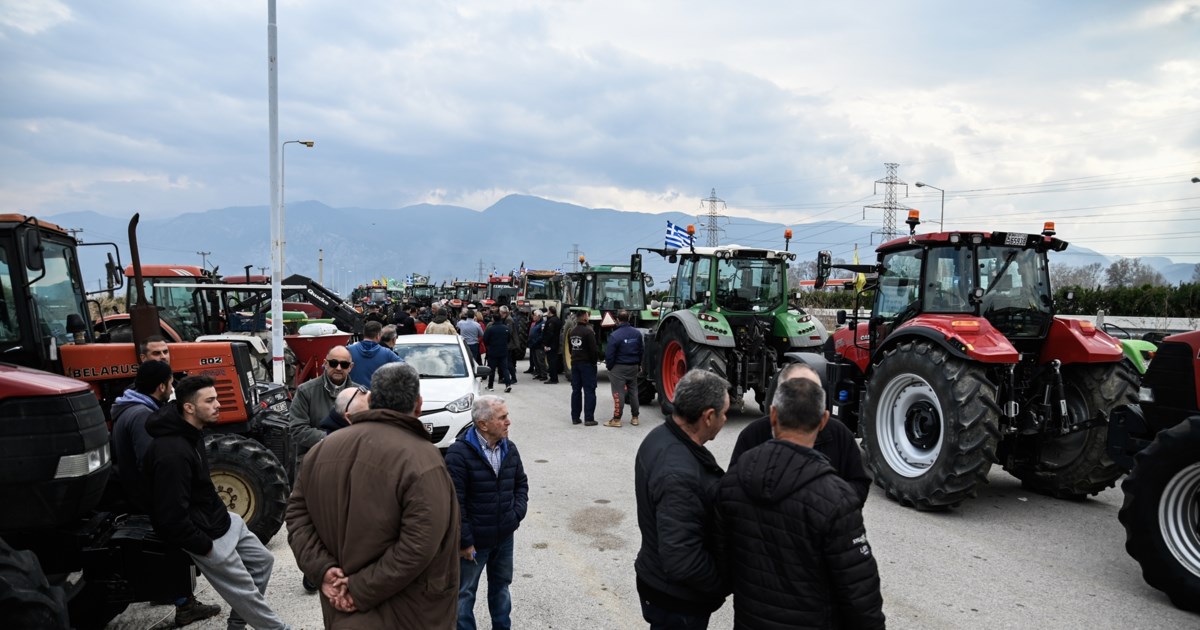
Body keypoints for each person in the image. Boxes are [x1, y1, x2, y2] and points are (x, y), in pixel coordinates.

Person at [286, 363, 460, 629]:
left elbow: (297, 515)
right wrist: (357, 589)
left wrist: (322, 570)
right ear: (419, 405)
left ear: (370, 400)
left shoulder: (321, 450)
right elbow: (420, 544)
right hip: (409, 614)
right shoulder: (423, 459)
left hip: (340, 611)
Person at [718, 377, 885, 629]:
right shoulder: (836, 499)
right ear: (824, 421)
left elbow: (722, 561)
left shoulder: (732, 482)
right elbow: (859, 590)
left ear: (772, 415)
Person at [143, 376, 291, 630]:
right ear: (189, 407)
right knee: (245, 592)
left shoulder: (192, 432)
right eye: (210, 400)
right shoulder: (172, 453)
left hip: (222, 519)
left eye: (217, 398)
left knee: (263, 562)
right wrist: (205, 547)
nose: (218, 404)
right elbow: (170, 517)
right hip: (205, 534)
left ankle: (236, 623)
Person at [110, 361, 221, 627]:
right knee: (175, 546)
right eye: (171, 384)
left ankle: (176, 596)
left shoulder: (129, 408)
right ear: (162, 386)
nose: (171, 389)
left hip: (138, 494)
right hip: (145, 499)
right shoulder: (140, 416)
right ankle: (184, 604)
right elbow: (153, 462)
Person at [634, 369, 731, 629]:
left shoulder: (659, 437)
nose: (726, 418)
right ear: (708, 417)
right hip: (677, 602)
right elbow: (682, 559)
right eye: (724, 413)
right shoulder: (679, 474)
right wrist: (721, 584)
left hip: (661, 586)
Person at [728, 363, 870, 506]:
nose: (802, 398)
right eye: (792, 391)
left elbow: (859, 485)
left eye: (812, 392)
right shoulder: (753, 434)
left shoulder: (840, 434)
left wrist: (828, 500)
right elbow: (734, 489)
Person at [444, 395, 529, 630]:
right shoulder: (458, 454)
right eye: (502, 418)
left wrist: (515, 515)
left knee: (501, 589)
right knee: (464, 595)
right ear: (483, 424)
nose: (508, 422)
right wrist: (465, 541)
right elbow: (455, 503)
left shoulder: (508, 448)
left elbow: (521, 484)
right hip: (474, 544)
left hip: (504, 537)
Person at [604, 310, 643, 428]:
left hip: (619, 368)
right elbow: (641, 350)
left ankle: (616, 419)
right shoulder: (637, 334)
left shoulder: (615, 335)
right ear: (629, 318)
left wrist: (610, 367)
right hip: (633, 367)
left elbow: (609, 354)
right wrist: (638, 364)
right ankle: (635, 417)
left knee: (618, 393)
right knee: (633, 392)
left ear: (617, 320)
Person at [347, 320, 402, 388]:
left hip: (354, 395)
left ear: (364, 333)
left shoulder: (348, 350)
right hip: (377, 396)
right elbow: (406, 369)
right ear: (378, 335)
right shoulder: (387, 353)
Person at [568, 310, 599, 426]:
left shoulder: (572, 332)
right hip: (587, 365)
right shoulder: (588, 332)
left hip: (575, 363)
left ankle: (575, 417)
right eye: (587, 315)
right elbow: (593, 350)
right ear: (584, 317)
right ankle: (589, 418)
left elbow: (571, 349)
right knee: (589, 391)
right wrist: (594, 363)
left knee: (576, 390)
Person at [482, 314, 513, 393]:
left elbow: (485, 339)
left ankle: (490, 386)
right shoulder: (506, 328)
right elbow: (509, 339)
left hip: (493, 351)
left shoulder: (490, 329)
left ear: (493, 319)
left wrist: (489, 346)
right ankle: (508, 384)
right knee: (505, 368)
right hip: (503, 351)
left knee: (491, 369)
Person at [500, 306, 522, 383]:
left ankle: (513, 378)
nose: (500, 314)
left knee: (509, 363)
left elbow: (508, 332)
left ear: (504, 313)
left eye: (501, 312)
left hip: (509, 345)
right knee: (507, 362)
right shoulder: (506, 319)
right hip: (508, 344)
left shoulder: (509, 320)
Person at [541, 306, 562, 384]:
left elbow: (549, 334)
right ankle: (554, 377)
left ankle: (553, 378)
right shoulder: (557, 320)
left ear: (550, 312)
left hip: (551, 344)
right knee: (553, 360)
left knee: (551, 361)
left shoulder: (551, 321)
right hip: (555, 343)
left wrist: (546, 344)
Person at [527, 310, 547, 380]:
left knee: (540, 360)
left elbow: (542, 335)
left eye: (535, 315)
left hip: (538, 345)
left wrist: (535, 342)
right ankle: (538, 373)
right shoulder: (535, 323)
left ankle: (544, 375)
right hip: (533, 345)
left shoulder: (542, 324)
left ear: (539, 316)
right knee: (535, 360)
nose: (533, 316)